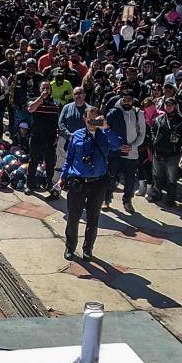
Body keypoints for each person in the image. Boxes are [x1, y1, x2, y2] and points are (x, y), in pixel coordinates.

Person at [61, 104, 127, 261]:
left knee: (93, 218)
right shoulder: (76, 135)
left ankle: (88, 249)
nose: (92, 121)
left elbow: (118, 144)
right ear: (84, 118)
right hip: (78, 182)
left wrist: (105, 127)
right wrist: (63, 177)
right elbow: (69, 158)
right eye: (89, 118)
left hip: (98, 183)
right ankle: (70, 247)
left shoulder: (104, 135)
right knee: (73, 217)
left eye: (95, 118)